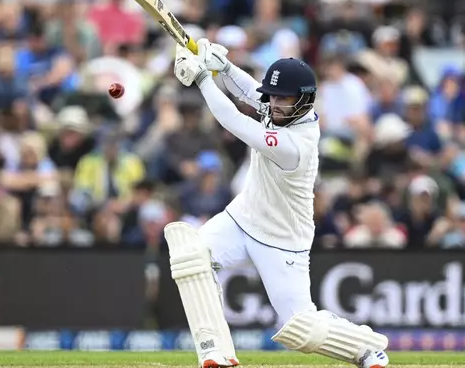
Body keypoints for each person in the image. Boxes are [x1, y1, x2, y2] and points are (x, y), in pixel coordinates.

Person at [165, 41, 389, 368]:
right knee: (192, 256)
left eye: (283, 98)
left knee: (299, 328)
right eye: (273, 96)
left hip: (282, 238)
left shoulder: (295, 144)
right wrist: (223, 68)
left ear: (303, 101)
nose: (274, 104)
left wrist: (203, 80)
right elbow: (249, 93)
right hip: (242, 216)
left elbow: (234, 121)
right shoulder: (281, 108)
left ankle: (365, 347)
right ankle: (215, 352)